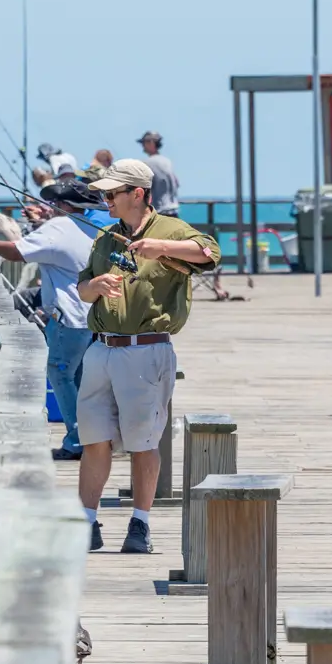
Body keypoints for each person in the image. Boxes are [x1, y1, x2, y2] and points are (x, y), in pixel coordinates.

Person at [78, 159, 220, 554]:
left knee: (143, 443)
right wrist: (95, 285)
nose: (105, 200)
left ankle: (140, 525)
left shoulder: (172, 230)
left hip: (147, 351)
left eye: (111, 193)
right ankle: (87, 523)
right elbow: (81, 288)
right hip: (100, 348)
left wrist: (160, 248)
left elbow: (210, 252)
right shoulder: (105, 237)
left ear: (137, 193)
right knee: (93, 440)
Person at [0, 179, 111, 461]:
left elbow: (17, 252)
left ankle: (78, 441)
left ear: (63, 205)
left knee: (59, 372)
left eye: (53, 204)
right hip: (94, 316)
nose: (50, 208)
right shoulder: (90, 228)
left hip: (69, 317)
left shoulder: (58, 228)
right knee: (80, 378)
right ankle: (96, 437)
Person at [138, 131, 180, 218]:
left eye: (144, 143)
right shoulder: (167, 161)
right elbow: (176, 183)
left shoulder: (148, 163)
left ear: (151, 143)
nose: (142, 146)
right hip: (173, 211)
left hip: (159, 212)